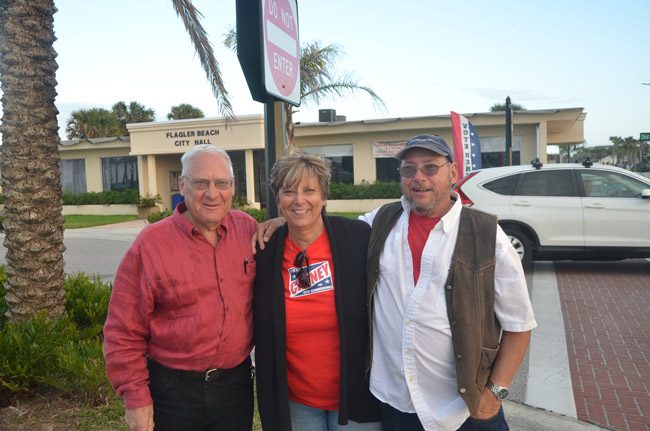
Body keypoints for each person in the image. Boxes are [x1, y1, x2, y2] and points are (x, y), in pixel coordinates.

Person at [362, 134, 537, 431]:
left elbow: (519, 325)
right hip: (397, 402)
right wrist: (281, 223)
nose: (418, 178)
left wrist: (495, 393)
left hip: (466, 410)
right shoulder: (380, 221)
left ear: (453, 173)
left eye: (430, 168)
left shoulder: (486, 234)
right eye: (409, 169)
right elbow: (324, 232)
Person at [104, 144, 258, 431]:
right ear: (182, 185)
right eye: (201, 183)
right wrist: (136, 400)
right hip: (174, 392)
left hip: (236, 388)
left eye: (221, 183)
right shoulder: (150, 245)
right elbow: (123, 331)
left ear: (232, 188)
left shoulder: (247, 230)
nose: (212, 193)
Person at [253, 152, 381, 431]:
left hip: (355, 397)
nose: (299, 200)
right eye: (289, 191)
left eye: (309, 190)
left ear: (324, 196)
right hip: (297, 402)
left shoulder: (357, 238)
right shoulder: (266, 251)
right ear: (278, 199)